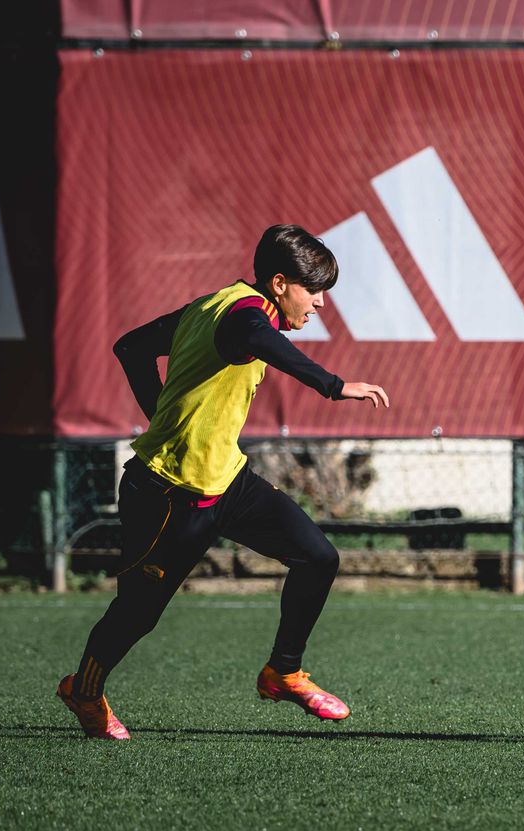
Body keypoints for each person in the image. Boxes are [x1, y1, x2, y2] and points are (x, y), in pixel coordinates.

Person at [57, 224, 389, 740]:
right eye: (314, 290)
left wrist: (160, 412)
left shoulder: (214, 304)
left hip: (227, 481)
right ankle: (85, 690)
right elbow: (258, 339)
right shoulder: (243, 316)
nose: (321, 303)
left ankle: (283, 672)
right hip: (168, 490)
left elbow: (131, 347)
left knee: (318, 557)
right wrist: (335, 385)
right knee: (137, 613)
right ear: (279, 284)